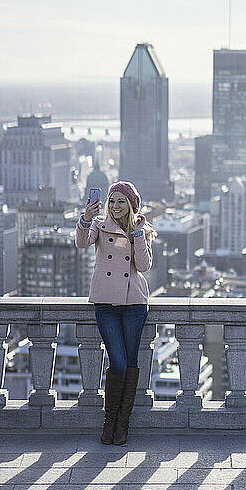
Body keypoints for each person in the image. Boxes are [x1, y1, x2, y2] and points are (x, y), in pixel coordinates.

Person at [75, 181, 157, 445]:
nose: (115, 206)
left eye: (121, 201)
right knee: (118, 362)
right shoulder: (99, 225)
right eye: (112, 200)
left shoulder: (140, 230)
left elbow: (143, 266)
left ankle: (122, 423)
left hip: (133, 303)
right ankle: (109, 420)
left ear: (132, 205)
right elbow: (81, 243)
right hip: (106, 303)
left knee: (130, 361)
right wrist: (85, 219)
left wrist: (137, 235)